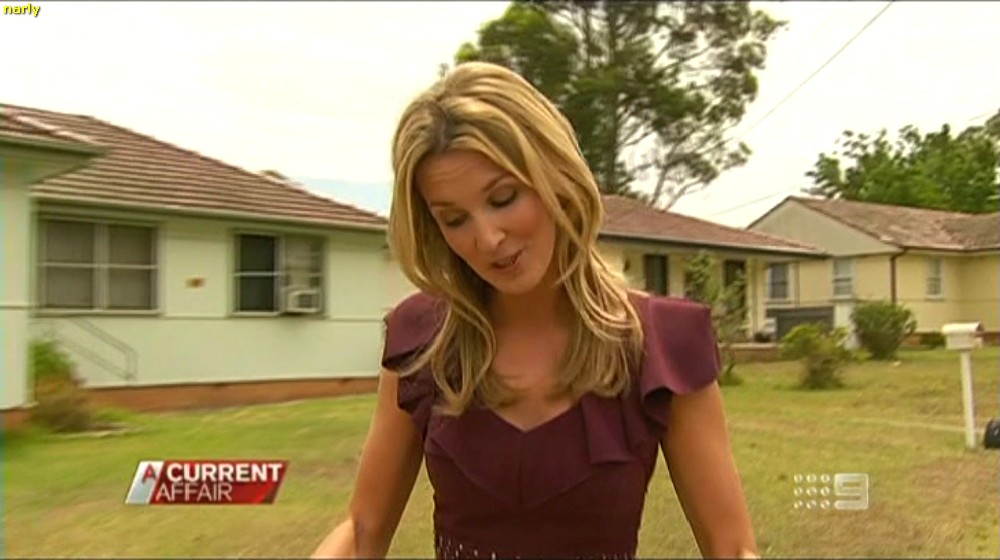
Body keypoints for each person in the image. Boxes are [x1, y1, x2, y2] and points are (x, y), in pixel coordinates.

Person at [311, 61, 758, 560]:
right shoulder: (420, 340)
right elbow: (363, 530)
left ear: (555, 177)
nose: (487, 239)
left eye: (503, 198)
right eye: (454, 219)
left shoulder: (665, 345)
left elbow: (730, 547)